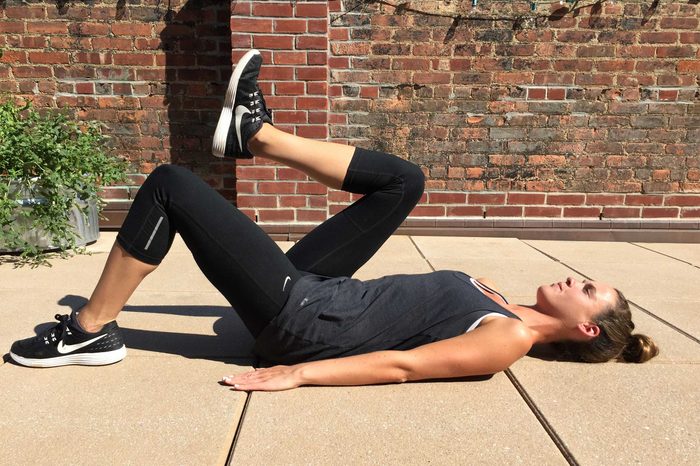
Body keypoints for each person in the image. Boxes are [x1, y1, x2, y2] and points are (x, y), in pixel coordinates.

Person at [9, 50, 659, 390]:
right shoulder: (496, 298)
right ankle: (257, 136)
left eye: (591, 290)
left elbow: (403, 367)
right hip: (322, 297)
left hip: (301, 321)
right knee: (407, 182)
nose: (579, 280)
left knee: (170, 187)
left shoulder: (508, 338)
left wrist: (296, 373)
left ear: (582, 327)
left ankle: (90, 332)